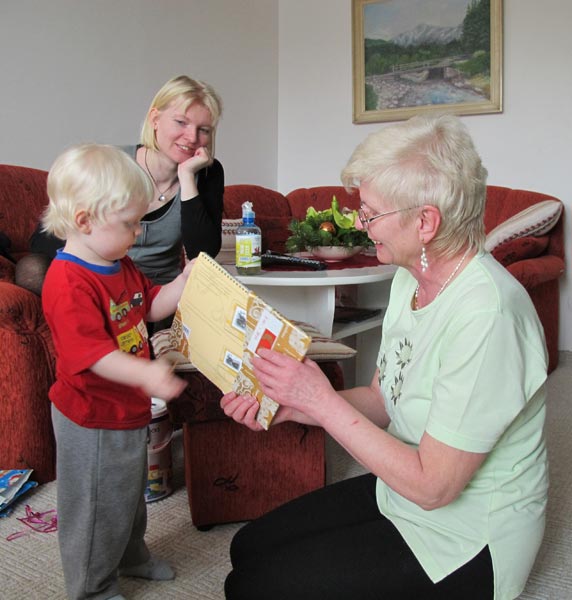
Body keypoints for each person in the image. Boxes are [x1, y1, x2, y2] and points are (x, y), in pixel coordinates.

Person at [220, 114, 549, 600]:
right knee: (247, 549)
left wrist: (322, 400)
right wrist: (296, 407)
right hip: (400, 487)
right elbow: (382, 397)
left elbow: (435, 487)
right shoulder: (408, 279)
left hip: (467, 533)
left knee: (249, 588)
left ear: (425, 222)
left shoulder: (487, 314)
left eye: (370, 214)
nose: (359, 223)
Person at [41, 143, 193, 600]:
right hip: (90, 417)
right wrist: (147, 376)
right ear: (85, 221)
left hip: (125, 409)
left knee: (128, 496)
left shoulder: (119, 262)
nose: (137, 233)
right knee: (95, 507)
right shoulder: (68, 281)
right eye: (129, 224)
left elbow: (148, 308)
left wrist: (183, 284)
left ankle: (129, 554)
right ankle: (91, 586)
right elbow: (92, 355)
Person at [19, 74, 224, 300]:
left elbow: (202, 255)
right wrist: (102, 273)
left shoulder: (207, 173)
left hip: (159, 290)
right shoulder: (110, 162)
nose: (192, 137)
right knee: (32, 268)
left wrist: (186, 176)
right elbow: (45, 237)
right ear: (155, 119)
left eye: (203, 129)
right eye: (181, 122)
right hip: (98, 277)